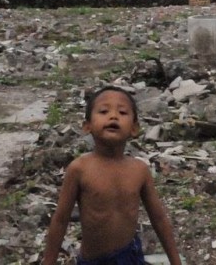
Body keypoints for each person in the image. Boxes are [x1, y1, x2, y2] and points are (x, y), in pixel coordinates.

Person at [41, 86, 182, 265]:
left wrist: (176, 262)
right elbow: (60, 220)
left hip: (130, 258)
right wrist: (48, 262)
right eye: (104, 111)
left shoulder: (139, 170)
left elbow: (159, 219)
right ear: (87, 126)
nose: (113, 116)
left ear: (134, 128)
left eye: (122, 112)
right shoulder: (79, 169)